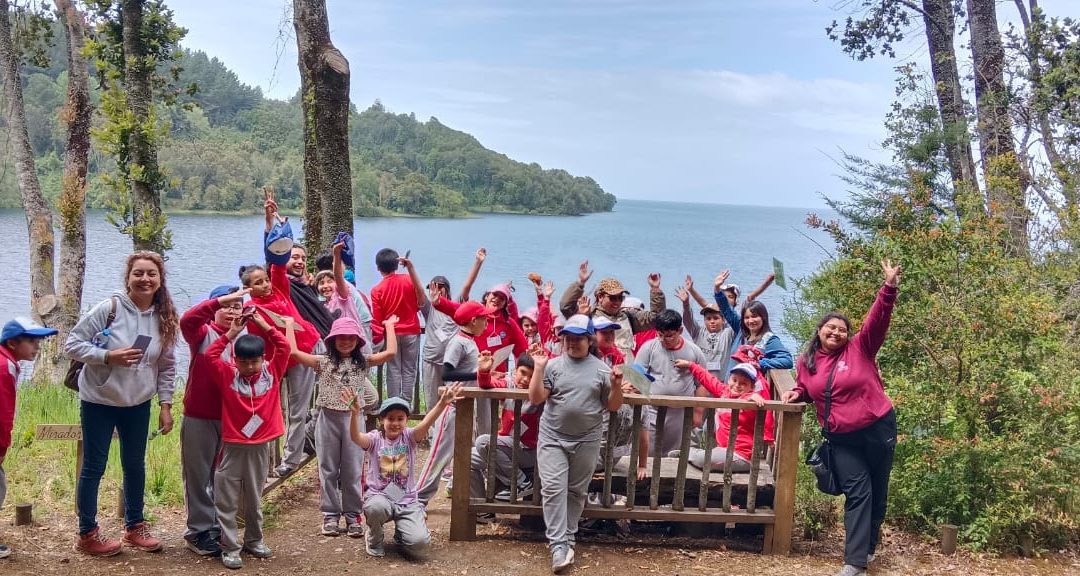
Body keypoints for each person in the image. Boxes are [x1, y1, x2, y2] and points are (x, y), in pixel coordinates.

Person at [782, 259, 901, 576]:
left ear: (848, 334)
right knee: (858, 492)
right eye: (830, 327)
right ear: (819, 331)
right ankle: (855, 563)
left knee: (878, 491)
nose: (836, 332)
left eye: (841, 329)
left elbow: (878, 319)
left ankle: (868, 548)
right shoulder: (806, 361)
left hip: (877, 428)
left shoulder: (862, 347)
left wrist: (888, 288)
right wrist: (799, 394)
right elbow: (809, 388)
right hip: (842, 439)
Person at [65, 251, 178, 556]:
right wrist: (106, 356)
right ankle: (87, 533)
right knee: (93, 466)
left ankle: (134, 527)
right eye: (138, 273)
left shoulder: (165, 316)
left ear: (160, 279)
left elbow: (167, 365)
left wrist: (165, 405)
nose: (145, 279)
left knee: (134, 465)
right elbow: (71, 344)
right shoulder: (109, 308)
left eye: (151, 274)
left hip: (138, 403)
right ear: (128, 278)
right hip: (99, 400)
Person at [286, 315, 399, 538]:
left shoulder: (363, 362)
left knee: (353, 469)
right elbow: (294, 353)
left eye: (351, 338)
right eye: (340, 338)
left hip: (353, 420)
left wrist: (389, 327)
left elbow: (391, 353)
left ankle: (352, 515)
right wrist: (289, 326)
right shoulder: (323, 362)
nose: (346, 342)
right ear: (332, 340)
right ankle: (330, 515)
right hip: (327, 418)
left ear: (358, 341)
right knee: (327, 468)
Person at [529, 315, 624, 574]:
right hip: (552, 437)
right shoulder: (552, 366)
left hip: (587, 438)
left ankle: (568, 538)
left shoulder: (602, 369)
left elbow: (613, 405)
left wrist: (616, 385)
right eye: (568, 337)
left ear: (589, 339)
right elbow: (536, 398)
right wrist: (538, 367)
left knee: (575, 491)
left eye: (578, 337)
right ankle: (558, 545)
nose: (572, 342)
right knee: (552, 488)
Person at [204, 311, 290, 570]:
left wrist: (263, 324)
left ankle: (254, 539)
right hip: (232, 446)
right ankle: (230, 546)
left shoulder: (272, 372)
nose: (250, 367)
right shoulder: (228, 375)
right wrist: (231, 333)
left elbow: (284, 346)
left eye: (254, 361)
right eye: (244, 362)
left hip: (260, 446)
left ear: (263, 359)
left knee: (254, 496)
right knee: (226, 498)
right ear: (235, 360)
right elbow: (209, 355)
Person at [344, 385, 462, 560]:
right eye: (390, 418)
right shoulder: (375, 439)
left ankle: (402, 535)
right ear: (382, 420)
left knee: (420, 544)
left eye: (400, 418)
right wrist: (354, 414)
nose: (395, 423)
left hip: (405, 499)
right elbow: (356, 437)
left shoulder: (409, 437)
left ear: (407, 420)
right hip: (380, 496)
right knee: (375, 508)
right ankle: (375, 537)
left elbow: (426, 422)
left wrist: (442, 404)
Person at [177, 285, 248, 556]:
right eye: (227, 306)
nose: (232, 311)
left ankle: (219, 526)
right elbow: (186, 320)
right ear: (214, 308)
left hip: (231, 417)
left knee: (224, 475)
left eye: (237, 305)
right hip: (199, 413)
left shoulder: (244, 337)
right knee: (197, 474)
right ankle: (198, 530)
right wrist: (218, 300)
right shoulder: (202, 332)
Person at [240, 257, 320, 477]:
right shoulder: (249, 310)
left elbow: (277, 264)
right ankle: (266, 462)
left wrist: (273, 234)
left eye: (265, 280)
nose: (265, 285)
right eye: (258, 283)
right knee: (272, 409)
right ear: (247, 288)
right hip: (276, 360)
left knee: (298, 409)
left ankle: (291, 460)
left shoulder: (280, 291)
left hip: (304, 351)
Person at [415, 301, 494, 504]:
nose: (487, 323)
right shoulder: (458, 342)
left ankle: (455, 489)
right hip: (452, 407)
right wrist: (475, 372)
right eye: (484, 318)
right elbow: (447, 372)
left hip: (466, 408)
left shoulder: (470, 341)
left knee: (463, 453)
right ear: (474, 321)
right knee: (438, 457)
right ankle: (417, 499)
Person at [0, 317, 58, 560]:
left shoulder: (6, 361)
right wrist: (3, 445)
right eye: (32, 341)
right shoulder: (5, 367)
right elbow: (3, 411)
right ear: (13, 342)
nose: (38, 346)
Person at [470, 352, 540, 523]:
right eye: (523, 373)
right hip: (506, 446)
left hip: (528, 451)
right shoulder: (508, 384)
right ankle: (483, 510)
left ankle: (522, 482)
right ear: (515, 370)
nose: (525, 379)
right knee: (467, 457)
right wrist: (484, 371)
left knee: (483, 441)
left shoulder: (539, 392)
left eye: (531, 376)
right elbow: (487, 384)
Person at [419, 248, 485, 410]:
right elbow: (418, 290)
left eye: (440, 286)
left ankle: (452, 430)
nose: (437, 289)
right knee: (432, 401)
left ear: (447, 289)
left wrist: (477, 262)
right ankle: (432, 432)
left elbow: (467, 286)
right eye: (433, 287)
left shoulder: (457, 308)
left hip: (453, 363)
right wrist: (410, 267)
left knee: (454, 401)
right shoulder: (429, 308)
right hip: (431, 360)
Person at [635, 309, 707, 455]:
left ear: (679, 330)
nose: (663, 340)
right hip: (652, 409)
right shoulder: (649, 347)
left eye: (669, 336)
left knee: (674, 451)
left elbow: (702, 383)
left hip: (680, 411)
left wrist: (698, 412)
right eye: (659, 335)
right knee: (648, 449)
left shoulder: (694, 351)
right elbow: (636, 375)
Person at [559, 261, 665, 360]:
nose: (617, 302)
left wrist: (655, 290)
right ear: (600, 297)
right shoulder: (588, 315)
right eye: (613, 298)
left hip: (625, 371)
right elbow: (565, 307)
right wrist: (580, 283)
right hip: (600, 368)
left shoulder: (629, 317)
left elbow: (657, 318)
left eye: (620, 298)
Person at [674, 360, 767, 471]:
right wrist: (690, 365)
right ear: (729, 379)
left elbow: (760, 407)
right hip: (724, 450)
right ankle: (692, 454)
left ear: (751, 387)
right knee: (707, 456)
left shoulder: (749, 400)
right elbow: (708, 378)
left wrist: (755, 397)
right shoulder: (724, 392)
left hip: (741, 456)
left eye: (743, 383)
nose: (737, 385)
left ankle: (690, 454)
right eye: (734, 380)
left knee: (703, 461)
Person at [370, 248, 424, 406]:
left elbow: (378, 318)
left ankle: (393, 403)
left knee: (393, 369)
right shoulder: (408, 280)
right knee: (409, 369)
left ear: (378, 268)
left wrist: (378, 339)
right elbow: (419, 302)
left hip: (391, 333)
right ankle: (406, 403)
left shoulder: (377, 290)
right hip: (412, 330)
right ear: (396, 264)